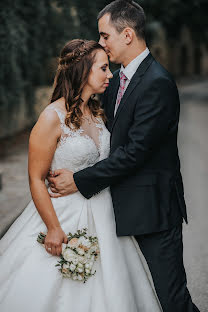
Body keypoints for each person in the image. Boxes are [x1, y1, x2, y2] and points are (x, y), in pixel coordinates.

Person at [47, 1, 200, 312]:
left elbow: (135, 153)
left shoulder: (157, 82)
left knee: (173, 301)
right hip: (113, 209)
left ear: (127, 34)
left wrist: (78, 180)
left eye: (105, 36)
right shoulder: (115, 80)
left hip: (152, 210)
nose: (101, 44)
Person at [0, 39, 162, 311]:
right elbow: (35, 178)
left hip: (106, 216)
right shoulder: (51, 117)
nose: (110, 74)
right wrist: (53, 228)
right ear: (84, 72)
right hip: (63, 216)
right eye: (103, 68)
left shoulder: (97, 112)